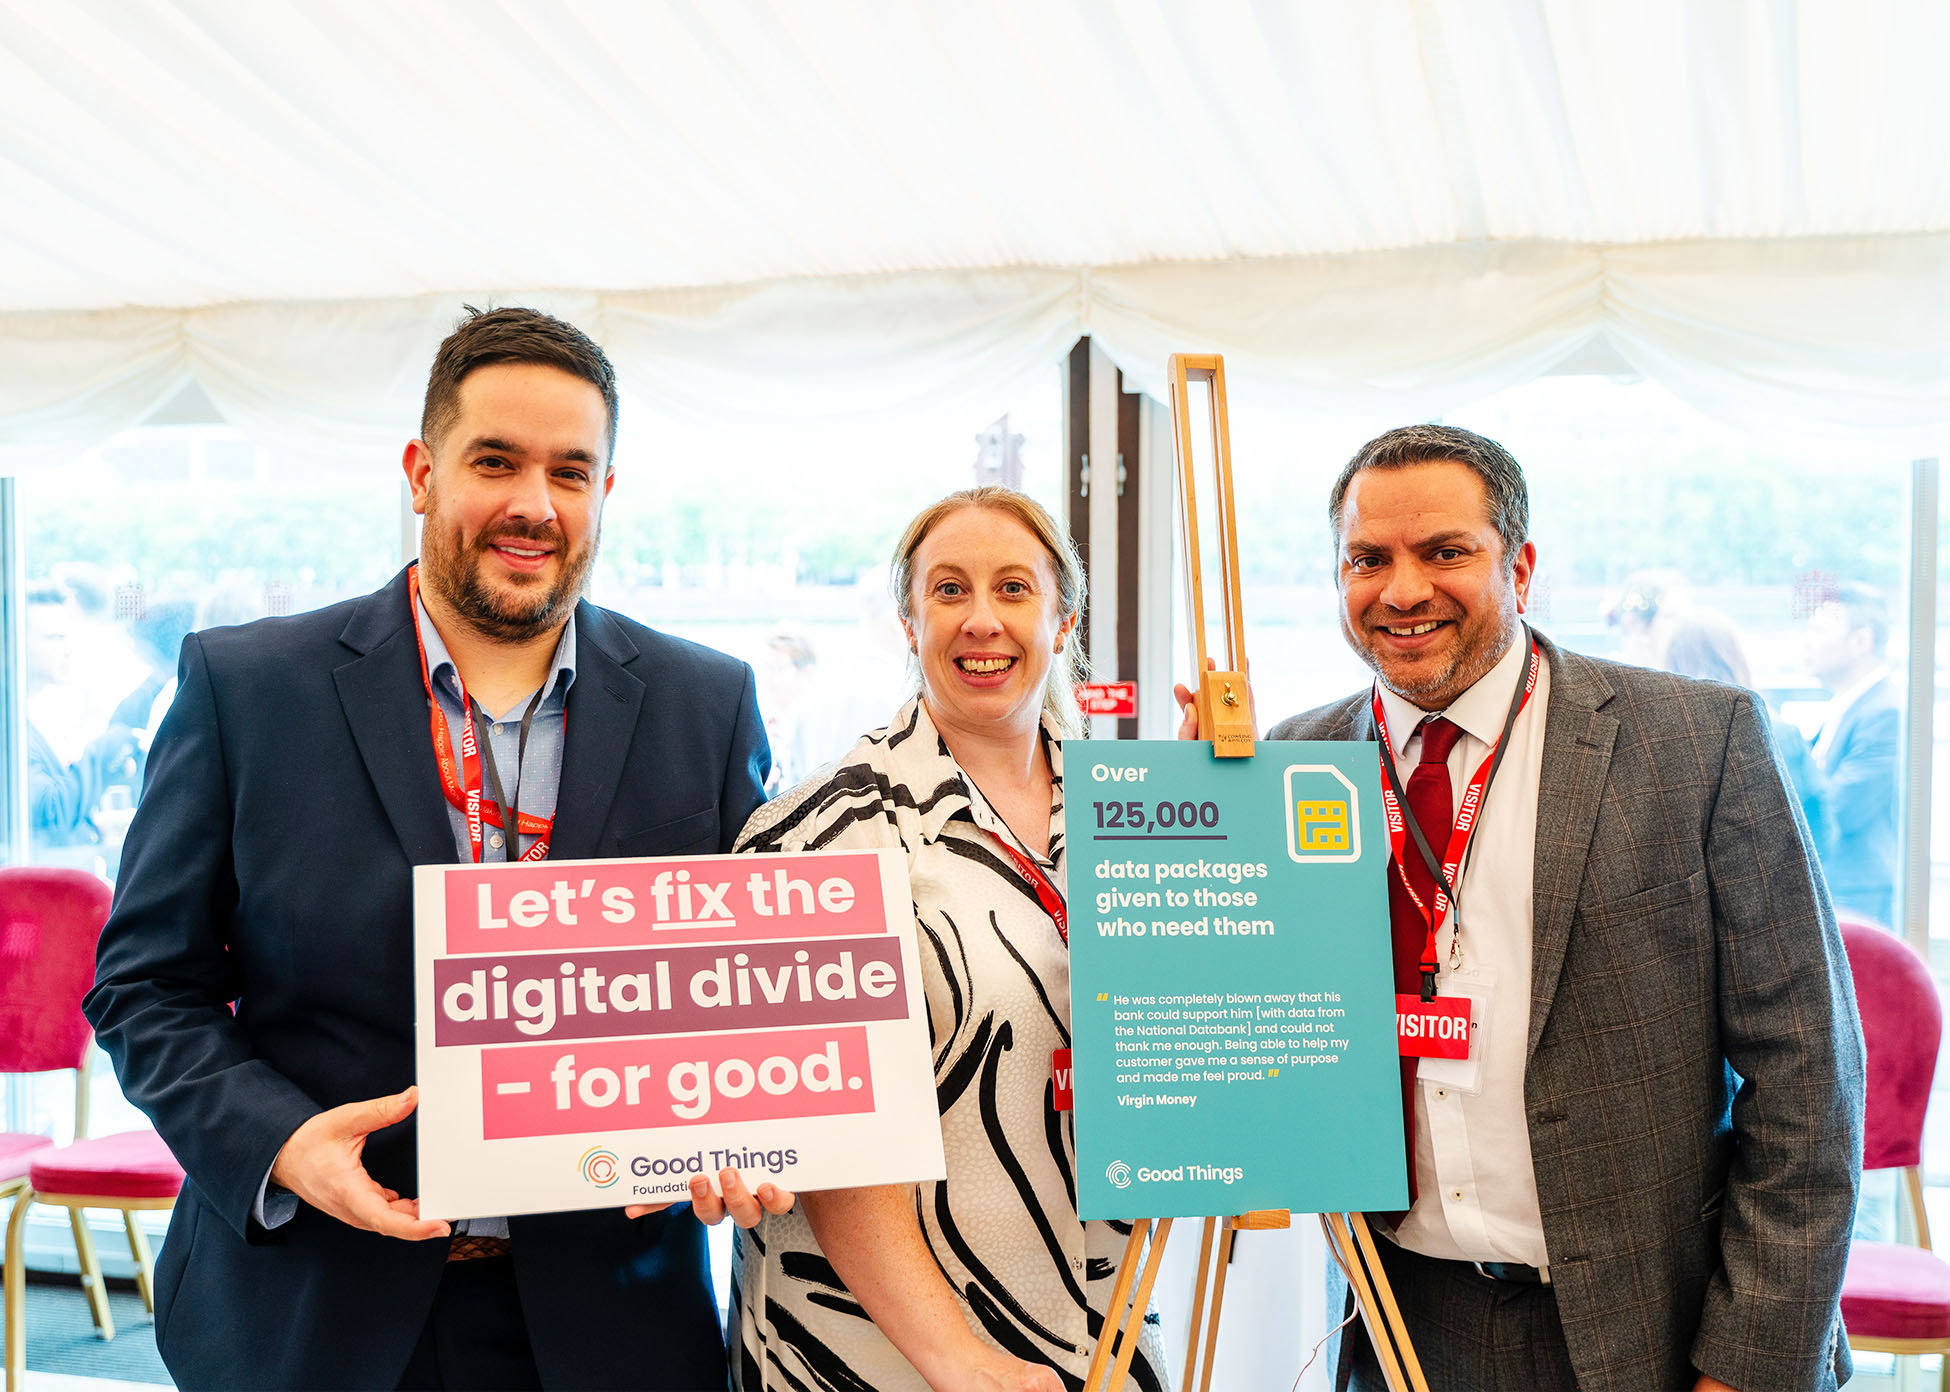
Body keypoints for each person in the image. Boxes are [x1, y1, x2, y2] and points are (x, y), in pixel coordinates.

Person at [85, 307, 787, 1391]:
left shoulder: (709, 704)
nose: (532, 505)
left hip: (611, 1325)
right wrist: (280, 1146)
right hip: (311, 1311)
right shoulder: (247, 688)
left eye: (569, 471)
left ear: (604, 495)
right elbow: (143, 985)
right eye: (494, 461)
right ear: (421, 471)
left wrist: (749, 1130)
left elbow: (752, 1000)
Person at [1187, 426, 1861, 1392]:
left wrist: (1750, 1365)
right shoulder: (1297, 760)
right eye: (1368, 560)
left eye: (1445, 552)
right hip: (1400, 1322)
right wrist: (1199, 820)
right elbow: (1245, 1037)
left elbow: (1807, 1080)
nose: (1403, 589)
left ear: (1522, 565)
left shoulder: (1696, 742)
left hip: (1656, 1329)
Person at [731, 487, 1165, 1392]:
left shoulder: (1134, 814)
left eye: (1013, 589)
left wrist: (1235, 839)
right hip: (884, 1353)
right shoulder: (823, 830)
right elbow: (827, 1141)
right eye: (948, 590)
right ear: (908, 618)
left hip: (1106, 1325)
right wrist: (963, 1364)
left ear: (1063, 616)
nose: (981, 621)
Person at [1660, 608, 1824, 843]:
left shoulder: (1662, 738)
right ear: (1734, 657)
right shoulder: (1776, 731)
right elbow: (1816, 815)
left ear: (1672, 659)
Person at [1805, 582, 1902, 929]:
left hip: (1858, 894)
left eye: (1821, 629)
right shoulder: (1845, 706)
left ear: (1861, 641)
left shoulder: (1884, 712)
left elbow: (1841, 808)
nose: (1808, 640)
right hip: (1842, 887)